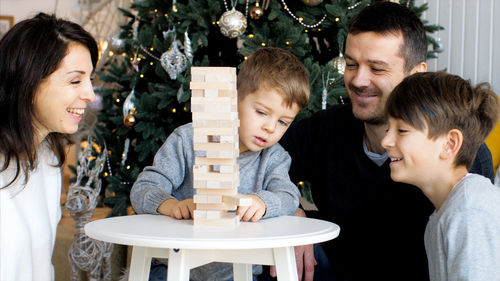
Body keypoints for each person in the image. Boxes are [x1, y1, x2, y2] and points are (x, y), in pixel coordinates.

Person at [278, 2, 494, 281]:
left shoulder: (465, 175)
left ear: (416, 74)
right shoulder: (323, 129)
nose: (358, 80)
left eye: (377, 69)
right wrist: (290, 209)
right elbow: (257, 164)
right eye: (351, 64)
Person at [130, 47, 309, 281]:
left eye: (283, 122)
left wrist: (263, 203)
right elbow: (144, 187)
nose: (271, 128)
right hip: (174, 266)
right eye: (262, 112)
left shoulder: (274, 157)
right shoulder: (188, 139)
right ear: (234, 100)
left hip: (238, 273)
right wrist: (170, 205)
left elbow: (288, 195)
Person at [0, 13, 98, 281]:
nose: (90, 94)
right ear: (29, 81)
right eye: (75, 80)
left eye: (89, 79)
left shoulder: (47, 161)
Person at [382, 71, 500, 281]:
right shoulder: (446, 213)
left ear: (450, 144)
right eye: (387, 129)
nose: (386, 142)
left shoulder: (469, 212)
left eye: (401, 130)